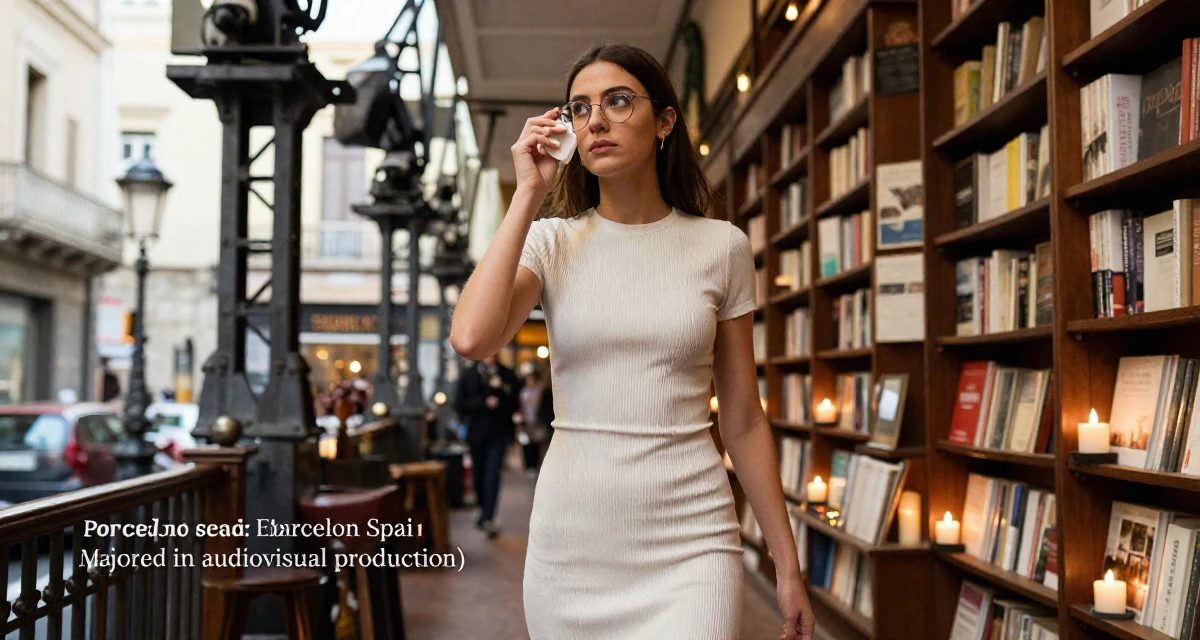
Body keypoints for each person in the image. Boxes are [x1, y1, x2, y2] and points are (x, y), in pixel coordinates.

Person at [449, 42, 814, 640]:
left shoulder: (721, 248)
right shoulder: (550, 241)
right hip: (573, 543)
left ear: (665, 120)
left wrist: (787, 564)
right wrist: (527, 195)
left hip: (692, 542)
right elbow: (472, 337)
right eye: (580, 109)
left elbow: (744, 419)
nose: (597, 120)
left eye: (618, 102)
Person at [453, 354, 520, 537]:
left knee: (493, 472)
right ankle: (482, 508)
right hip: (477, 433)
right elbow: (459, 403)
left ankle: (489, 516)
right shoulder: (469, 375)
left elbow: (515, 402)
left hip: (498, 432)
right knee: (479, 472)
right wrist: (483, 403)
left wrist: (502, 397)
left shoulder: (506, 374)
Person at [516, 370, 547, 477]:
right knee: (527, 445)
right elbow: (519, 406)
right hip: (526, 422)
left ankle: (535, 465)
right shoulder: (523, 392)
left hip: (537, 421)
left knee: (536, 445)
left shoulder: (540, 391)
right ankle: (528, 466)